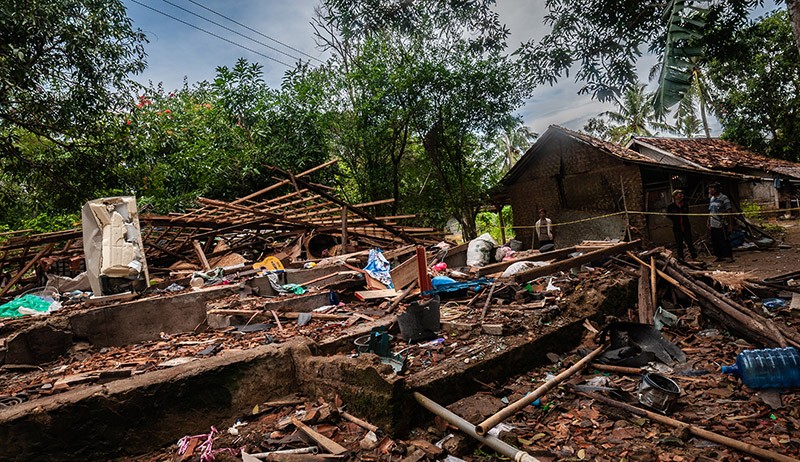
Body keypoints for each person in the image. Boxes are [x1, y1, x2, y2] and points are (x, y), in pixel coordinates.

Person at [666, 190, 698, 261]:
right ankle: (681, 258)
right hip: (677, 227)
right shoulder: (671, 206)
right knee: (679, 243)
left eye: (682, 194)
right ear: (675, 196)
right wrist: (675, 219)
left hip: (686, 226)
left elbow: (686, 214)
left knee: (689, 242)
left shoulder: (685, 205)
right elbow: (668, 215)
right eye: (679, 194)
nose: (681, 196)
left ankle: (694, 256)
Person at [707, 182, 734, 262]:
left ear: (717, 189)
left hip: (721, 223)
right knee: (715, 241)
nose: (710, 190)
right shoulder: (711, 199)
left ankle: (728, 256)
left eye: (712, 188)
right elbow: (710, 211)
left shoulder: (724, 198)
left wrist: (730, 224)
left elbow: (729, 211)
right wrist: (708, 221)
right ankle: (719, 256)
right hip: (713, 223)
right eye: (709, 188)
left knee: (724, 240)